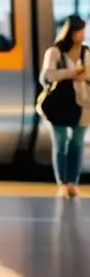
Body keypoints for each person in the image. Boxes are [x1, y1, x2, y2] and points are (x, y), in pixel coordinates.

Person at [39, 15, 88, 198]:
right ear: (70, 32)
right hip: (58, 103)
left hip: (82, 103)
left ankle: (72, 183)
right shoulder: (55, 52)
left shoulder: (86, 52)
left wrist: (84, 76)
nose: (81, 35)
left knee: (77, 143)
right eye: (78, 31)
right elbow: (47, 76)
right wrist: (72, 73)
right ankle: (62, 183)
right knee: (60, 143)